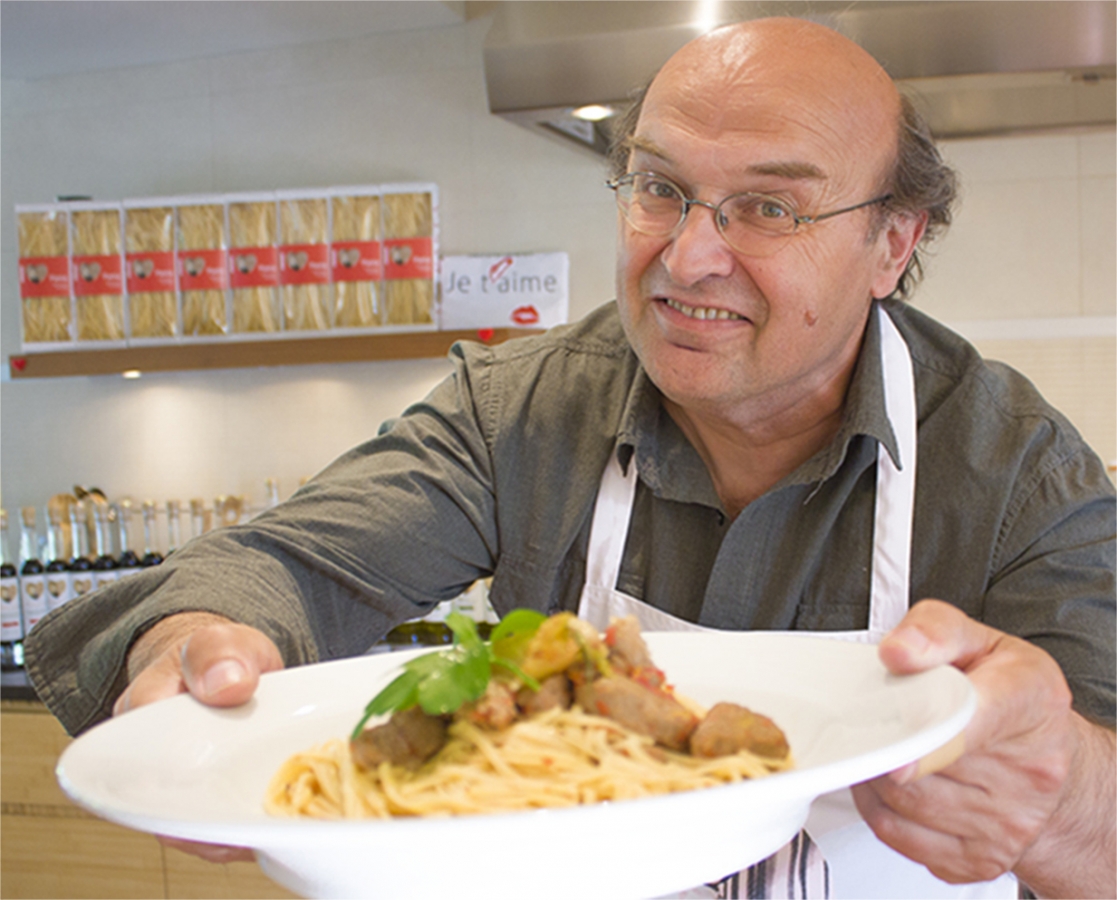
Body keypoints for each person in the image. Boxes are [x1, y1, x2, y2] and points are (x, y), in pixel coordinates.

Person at [25, 17, 1114, 900]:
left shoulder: (1021, 476)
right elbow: (287, 565)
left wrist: (1060, 793)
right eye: (659, 187)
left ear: (892, 243)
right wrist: (201, 640)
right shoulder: (524, 407)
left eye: (768, 207)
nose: (688, 255)